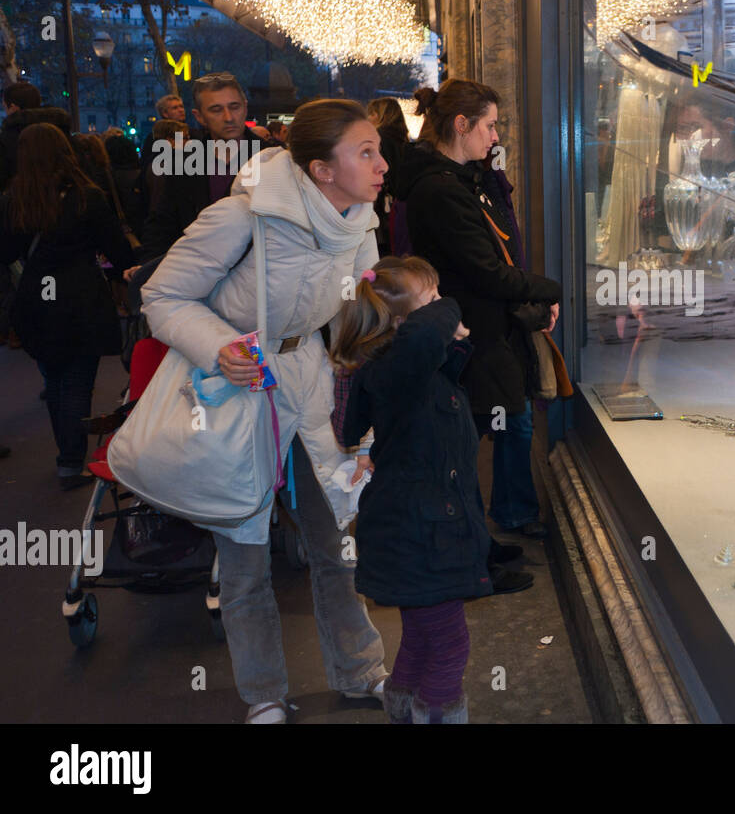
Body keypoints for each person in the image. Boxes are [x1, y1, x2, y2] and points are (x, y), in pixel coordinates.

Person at [141, 98, 389, 723]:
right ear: (321, 168)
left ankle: (361, 671)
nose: (383, 163)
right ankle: (263, 696)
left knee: (335, 541)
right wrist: (219, 347)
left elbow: (363, 312)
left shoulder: (359, 220)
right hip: (237, 389)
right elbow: (161, 295)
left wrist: (415, 331)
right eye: (367, 151)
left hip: (308, 383)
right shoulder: (241, 216)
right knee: (245, 556)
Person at [399, 79, 561, 563]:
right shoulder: (441, 189)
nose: (495, 138)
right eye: (489, 126)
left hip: (480, 330)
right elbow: (486, 271)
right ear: (461, 124)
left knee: (496, 428)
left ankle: (481, 540)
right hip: (470, 334)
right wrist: (547, 289)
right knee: (467, 444)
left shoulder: (458, 179)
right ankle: (469, 552)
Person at [333, 256, 490, 723]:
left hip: (420, 531)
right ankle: (437, 714)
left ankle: (403, 706)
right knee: (449, 642)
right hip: (422, 536)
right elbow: (424, 337)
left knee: (424, 634)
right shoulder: (394, 370)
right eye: (433, 300)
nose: (444, 309)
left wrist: (447, 329)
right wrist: (450, 311)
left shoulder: (410, 372)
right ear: (401, 326)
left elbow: (429, 348)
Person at [0, 124, 133, 489]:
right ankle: (71, 462)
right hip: (81, 295)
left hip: (37, 297)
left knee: (54, 378)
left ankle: (67, 458)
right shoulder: (87, 196)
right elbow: (116, 249)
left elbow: (7, 252)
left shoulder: (14, 199)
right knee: (76, 382)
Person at [137, 71, 260, 262]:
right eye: (216, 110)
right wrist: (150, 268)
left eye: (234, 107)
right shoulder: (182, 163)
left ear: (245, 107)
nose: (228, 117)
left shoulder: (272, 157)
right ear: (199, 116)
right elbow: (162, 224)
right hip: (199, 272)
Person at [0, 82, 72, 192]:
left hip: (21, 201)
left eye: (5, 108)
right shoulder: (61, 129)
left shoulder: (8, 137)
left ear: (13, 108)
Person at [366, 97, 410, 256]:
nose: (368, 118)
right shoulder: (403, 138)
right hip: (400, 204)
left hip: (383, 205)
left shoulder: (379, 137)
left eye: (370, 114)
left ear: (379, 115)